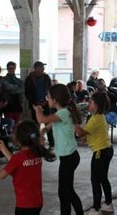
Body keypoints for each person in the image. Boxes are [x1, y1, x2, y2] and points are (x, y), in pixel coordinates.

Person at [33, 84, 84, 215]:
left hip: (70, 157)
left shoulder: (62, 113)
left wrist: (37, 109)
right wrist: (43, 132)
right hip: (68, 157)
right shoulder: (61, 113)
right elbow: (47, 125)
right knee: (64, 192)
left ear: (55, 99)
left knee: (66, 191)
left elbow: (42, 119)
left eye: (48, 97)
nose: (47, 99)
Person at [0, 120, 47, 215]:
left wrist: (6, 167)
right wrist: (4, 150)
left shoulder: (18, 158)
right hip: (37, 202)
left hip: (24, 204)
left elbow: (1, 175)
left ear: (18, 140)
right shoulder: (38, 153)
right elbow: (20, 163)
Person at [75, 92, 114, 214]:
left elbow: (81, 133)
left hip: (100, 152)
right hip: (105, 150)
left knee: (95, 180)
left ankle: (96, 208)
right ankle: (108, 203)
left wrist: (74, 122)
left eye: (90, 102)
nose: (88, 104)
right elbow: (89, 134)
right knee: (102, 178)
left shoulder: (96, 118)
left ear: (96, 105)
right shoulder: (99, 116)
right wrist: (84, 137)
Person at [1, 61, 24, 129]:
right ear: (7, 69)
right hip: (7, 104)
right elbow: (6, 86)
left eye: (13, 68)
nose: (11, 69)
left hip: (17, 104)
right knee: (8, 125)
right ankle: (8, 139)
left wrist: (12, 90)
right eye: (10, 68)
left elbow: (22, 90)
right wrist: (16, 87)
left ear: (15, 68)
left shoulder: (19, 80)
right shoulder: (3, 79)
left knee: (16, 125)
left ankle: (14, 139)